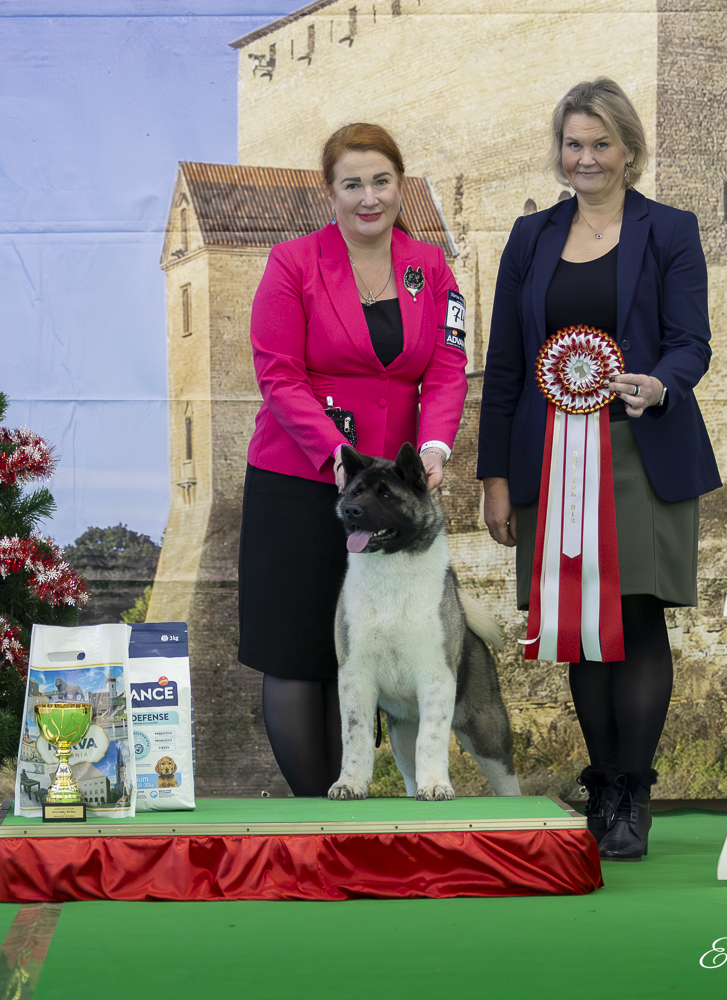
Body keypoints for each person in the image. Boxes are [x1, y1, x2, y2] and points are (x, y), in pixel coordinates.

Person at [477, 79, 721, 860]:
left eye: (600, 144)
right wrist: (494, 478)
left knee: (637, 619)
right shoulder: (530, 238)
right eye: (573, 143)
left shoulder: (670, 230)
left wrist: (661, 384)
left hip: (640, 451)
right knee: (579, 629)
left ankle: (633, 795)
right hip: (549, 458)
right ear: (559, 151)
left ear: (629, 150)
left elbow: (691, 341)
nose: (585, 158)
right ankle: (604, 785)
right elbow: (505, 364)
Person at [238, 123, 469, 797]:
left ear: (400, 185)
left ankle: (357, 817)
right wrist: (336, 455)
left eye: (382, 182)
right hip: (298, 478)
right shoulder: (291, 264)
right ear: (330, 192)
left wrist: (434, 446)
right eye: (353, 184)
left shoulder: (433, 268)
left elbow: (448, 368)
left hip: (390, 496)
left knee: (367, 655)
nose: (369, 198)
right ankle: (319, 816)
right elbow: (279, 375)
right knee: (298, 652)